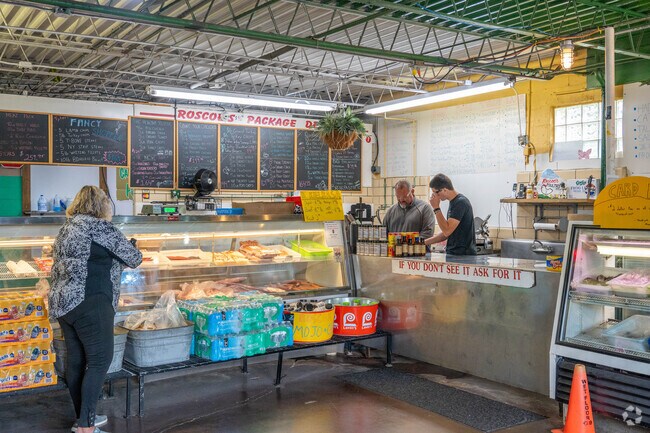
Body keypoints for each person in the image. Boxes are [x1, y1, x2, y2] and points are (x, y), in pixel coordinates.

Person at [49, 186, 142, 433]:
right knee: (100, 361)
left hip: (64, 303)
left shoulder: (67, 228)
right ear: (102, 206)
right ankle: (86, 428)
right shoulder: (99, 227)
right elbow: (134, 258)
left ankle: (84, 418)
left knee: (76, 361)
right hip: (91, 301)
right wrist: (131, 244)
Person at [425, 174, 477, 255]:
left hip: (463, 256)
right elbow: (446, 233)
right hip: (454, 253)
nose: (435, 196)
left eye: (435, 192)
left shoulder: (460, 203)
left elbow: (447, 231)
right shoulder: (453, 203)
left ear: (444, 190)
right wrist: (423, 242)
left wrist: (436, 207)